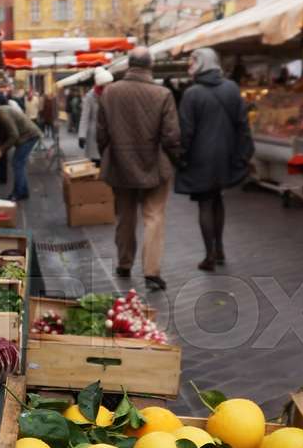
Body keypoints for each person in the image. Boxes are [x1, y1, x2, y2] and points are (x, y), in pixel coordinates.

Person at [96, 46, 181, 289]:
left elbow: (101, 133)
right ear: (150, 66)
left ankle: (124, 263)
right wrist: (175, 160)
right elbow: (171, 136)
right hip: (155, 165)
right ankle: (152, 272)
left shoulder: (109, 93)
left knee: (125, 216)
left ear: (128, 64)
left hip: (120, 164)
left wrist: (107, 155)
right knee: (154, 217)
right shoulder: (162, 94)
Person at [175, 45, 254, 271]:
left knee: (205, 203)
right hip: (225, 156)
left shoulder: (192, 93)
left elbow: (186, 131)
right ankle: (219, 249)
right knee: (217, 198)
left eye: (192, 62)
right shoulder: (231, 87)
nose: (189, 66)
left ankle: (209, 255)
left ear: (201, 63)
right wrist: (244, 153)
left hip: (201, 157)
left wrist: (181, 156)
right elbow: (242, 124)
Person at [0, 99, 40, 201]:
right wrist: (0, 146)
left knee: (17, 163)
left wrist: (1, 150)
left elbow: (14, 135)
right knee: (19, 164)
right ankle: (23, 191)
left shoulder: (2, 115)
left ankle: (18, 193)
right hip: (26, 135)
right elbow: (7, 133)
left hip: (28, 136)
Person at [78, 67, 113, 163]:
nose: (108, 86)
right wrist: (82, 135)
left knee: (110, 163)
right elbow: (84, 117)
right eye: (106, 84)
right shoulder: (90, 96)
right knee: (97, 162)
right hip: (94, 134)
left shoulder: (113, 93)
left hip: (110, 133)